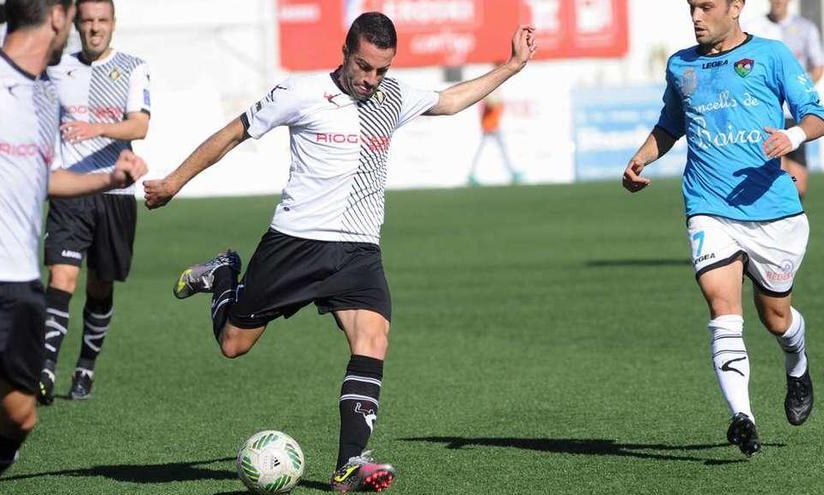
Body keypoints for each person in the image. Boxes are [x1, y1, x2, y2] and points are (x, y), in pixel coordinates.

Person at [144, 12, 535, 492]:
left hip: (358, 250)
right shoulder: (300, 93)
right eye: (364, 67)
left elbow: (451, 100)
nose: (372, 80)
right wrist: (173, 183)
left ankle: (350, 463)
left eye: (382, 70)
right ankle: (225, 272)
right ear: (345, 52)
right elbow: (232, 134)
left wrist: (511, 67)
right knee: (233, 345)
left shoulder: (392, 97)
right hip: (295, 242)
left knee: (372, 339)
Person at [0, 0, 148, 492]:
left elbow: (40, 178)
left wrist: (108, 178)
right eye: (76, 15)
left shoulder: (42, 95)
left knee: (19, 417)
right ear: (58, 17)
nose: (81, 27)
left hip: (21, 287)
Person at [623, 0, 824, 457]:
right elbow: (670, 126)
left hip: (773, 210)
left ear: (736, 8)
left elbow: (816, 115)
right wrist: (640, 158)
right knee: (721, 304)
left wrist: (791, 137)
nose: (696, 16)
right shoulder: (681, 65)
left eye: (706, 7)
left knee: (775, 317)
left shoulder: (772, 56)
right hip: (708, 207)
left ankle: (797, 361)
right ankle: (743, 416)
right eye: (691, 7)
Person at [37, 0, 151, 405]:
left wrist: (95, 128)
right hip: (71, 191)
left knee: (100, 286)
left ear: (113, 24)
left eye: (102, 20)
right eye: (87, 21)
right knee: (62, 278)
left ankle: (85, 367)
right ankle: (45, 370)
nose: (94, 28)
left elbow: (140, 124)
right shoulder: (56, 69)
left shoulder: (133, 67)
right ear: (76, 25)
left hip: (115, 195)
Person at [744, 0, 824, 198]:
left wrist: (795, 89)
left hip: (795, 114)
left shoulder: (806, 28)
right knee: (772, 177)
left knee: (798, 185)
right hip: (764, 117)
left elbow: (818, 66)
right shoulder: (753, 27)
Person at [467, 89, 522, 186]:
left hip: (494, 127)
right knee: (482, 152)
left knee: (503, 152)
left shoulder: (494, 99)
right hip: (490, 128)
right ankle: (472, 175)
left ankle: (513, 173)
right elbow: (491, 102)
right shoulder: (489, 99)